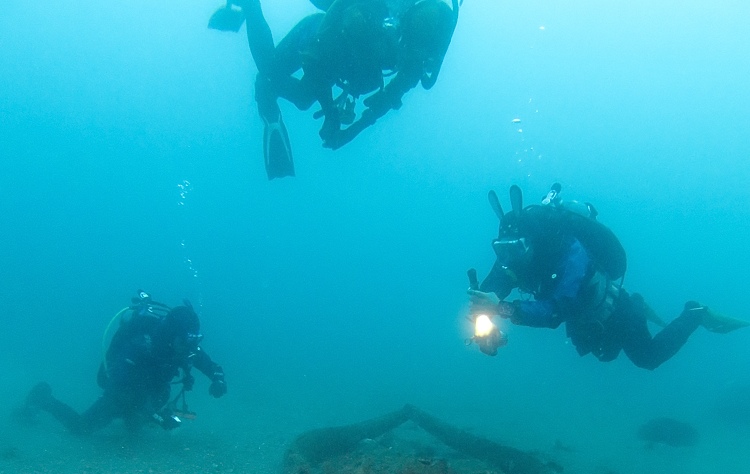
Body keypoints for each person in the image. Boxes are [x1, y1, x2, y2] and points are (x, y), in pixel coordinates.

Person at [467, 183, 748, 368]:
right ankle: (640, 305)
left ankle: (694, 313)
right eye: (501, 249)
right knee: (605, 355)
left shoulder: (569, 251)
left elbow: (560, 308)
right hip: (587, 315)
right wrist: (484, 317)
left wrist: (502, 308)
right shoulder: (515, 255)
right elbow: (494, 288)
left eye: (514, 248)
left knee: (647, 358)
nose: (508, 256)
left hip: (613, 308)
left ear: (530, 241)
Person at [208, 0, 458, 179]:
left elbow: (387, 99)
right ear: (411, 29)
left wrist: (352, 132)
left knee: (302, 97)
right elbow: (316, 58)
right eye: (418, 51)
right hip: (318, 36)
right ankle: (250, 6)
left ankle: (267, 92)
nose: (417, 61)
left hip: (343, 64)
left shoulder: (416, 53)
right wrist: (330, 113)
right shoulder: (363, 20)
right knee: (269, 72)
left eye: (424, 55)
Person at [24, 292, 227, 435]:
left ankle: (137, 418)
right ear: (172, 334)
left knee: (135, 426)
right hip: (121, 393)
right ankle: (43, 398)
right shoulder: (141, 344)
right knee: (82, 428)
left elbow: (208, 364)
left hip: (151, 394)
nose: (190, 347)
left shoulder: (183, 346)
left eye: (194, 340)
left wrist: (217, 379)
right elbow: (121, 386)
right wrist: (156, 417)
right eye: (186, 340)